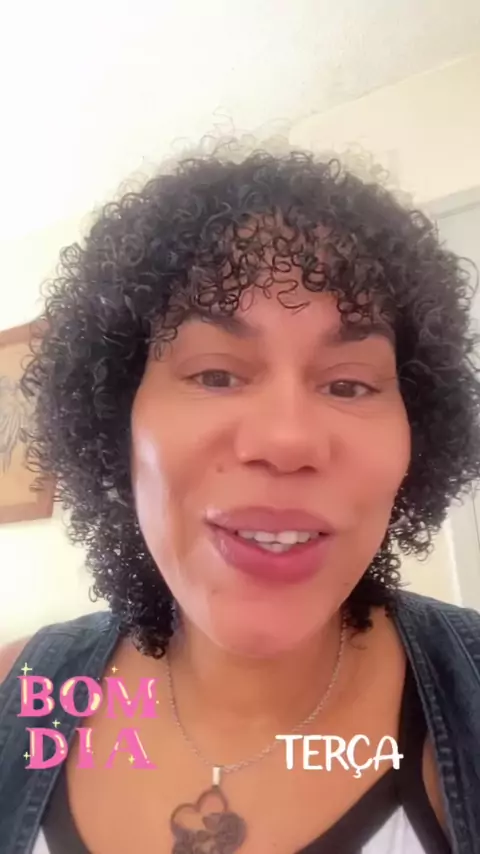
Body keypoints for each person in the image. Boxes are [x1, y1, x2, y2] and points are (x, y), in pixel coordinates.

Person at [0, 146, 479, 854]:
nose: (286, 441)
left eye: (349, 384)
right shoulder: (19, 692)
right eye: (216, 375)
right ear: (116, 421)